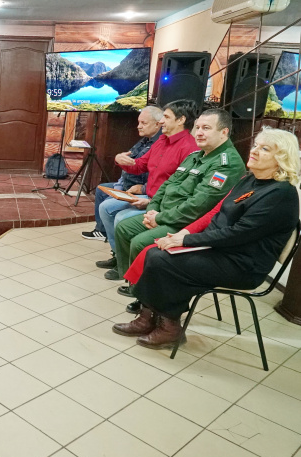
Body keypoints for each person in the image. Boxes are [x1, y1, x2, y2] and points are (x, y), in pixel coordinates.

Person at [113, 127, 300, 349]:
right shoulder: (250, 180)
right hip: (222, 250)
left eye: (265, 149)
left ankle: (169, 328)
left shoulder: (280, 193)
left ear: (282, 158)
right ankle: (148, 318)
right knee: (155, 253)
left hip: (243, 263)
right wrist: (186, 234)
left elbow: (238, 234)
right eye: (256, 145)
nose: (255, 151)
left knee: (164, 261)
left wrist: (185, 241)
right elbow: (218, 213)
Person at [114, 108, 247, 309]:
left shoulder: (227, 163)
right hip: (165, 214)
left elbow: (198, 205)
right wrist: (152, 211)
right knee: (124, 228)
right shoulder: (196, 155)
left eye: (206, 128)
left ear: (224, 132)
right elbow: (167, 185)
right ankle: (137, 285)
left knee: (140, 242)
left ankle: (146, 298)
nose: (199, 132)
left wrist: (159, 218)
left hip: (190, 224)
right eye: (198, 127)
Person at [96, 101, 199, 277]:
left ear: (181, 120)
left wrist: (151, 202)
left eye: (166, 117)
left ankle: (127, 266)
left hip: (162, 203)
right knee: (105, 208)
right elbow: (139, 166)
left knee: (120, 218)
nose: (161, 122)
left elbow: (182, 189)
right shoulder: (161, 141)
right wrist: (120, 160)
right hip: (149, 197)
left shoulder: (190, 148)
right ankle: (119, 256)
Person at [81, 106, 163, 242]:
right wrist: (118, 158)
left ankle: (115, 245)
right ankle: (101, 231)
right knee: (101, 189)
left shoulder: (160, 144)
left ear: (157, 124)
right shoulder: (145, 140)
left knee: (107, 206)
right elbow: (130, 160)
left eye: (143, 123)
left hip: (139, 189)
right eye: (139, 122)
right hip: (127, 183)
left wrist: (143, 188)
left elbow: (156, 174)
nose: (139, 126)